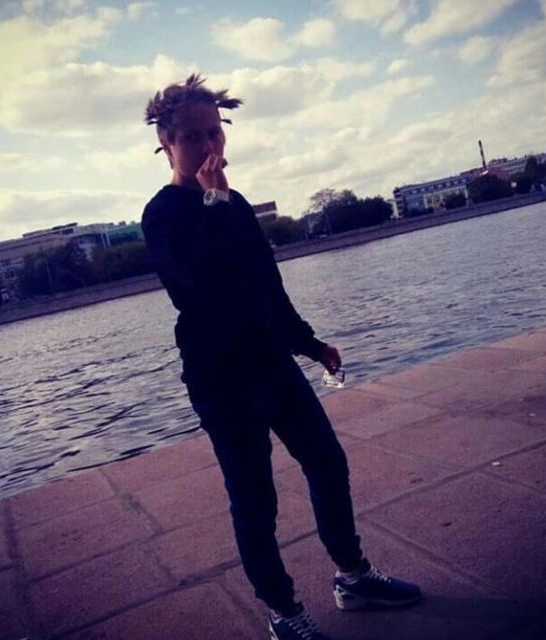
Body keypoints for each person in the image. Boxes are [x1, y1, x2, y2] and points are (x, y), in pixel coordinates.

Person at [141, 74, 421, 640]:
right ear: (166, 144)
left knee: (327, 463)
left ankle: (353, 577)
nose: (209, 146)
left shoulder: (236, 204)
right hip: (221, 380)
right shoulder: (162, 214)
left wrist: (311, 345)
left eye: (215, 133)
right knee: (255, 501)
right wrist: (213, 201)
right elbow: (195, 287)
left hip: (272, 363)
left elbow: (266, 288)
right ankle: (283, 613)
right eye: (193, 137)